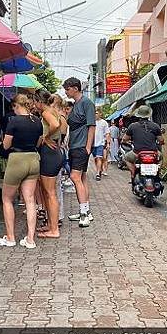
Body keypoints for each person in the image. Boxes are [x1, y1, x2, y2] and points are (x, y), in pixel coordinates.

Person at [0, 94, 43, 249]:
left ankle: (10, 237)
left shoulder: (13, 121)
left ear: (16, 105)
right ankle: (30, 239)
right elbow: (39, 142)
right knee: (30, 200)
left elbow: (5, 145)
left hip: (17, 159)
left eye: (13, 107)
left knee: (7, 199)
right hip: (33, 159)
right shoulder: (37, 121)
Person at [63, 77, 96, 228]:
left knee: (75, 176)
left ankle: (84, 214)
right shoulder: (76, 104)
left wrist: (88, 147)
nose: (66, 91)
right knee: (81, 178)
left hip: (81, 146)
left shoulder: (86, 103)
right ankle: (86, 211)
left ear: (75, 88)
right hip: (75, 145)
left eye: (67, 89)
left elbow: (91, 126)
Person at [34, 90, 65, 239]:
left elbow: (55, 124)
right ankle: (50, 225)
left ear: (39, 101)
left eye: (34, 101)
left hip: (50, 154)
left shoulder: (46, 112)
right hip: (54, 153)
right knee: (48, 192)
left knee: (50, 193)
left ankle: (54, 229)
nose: (34, 104)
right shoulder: (53, 110)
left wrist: (45, 136)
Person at [122, 105, 164, 185]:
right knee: (161, 157)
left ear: (139, 115)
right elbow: (161, 140)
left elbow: (124, 139)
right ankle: (158, 171)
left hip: (137, 153)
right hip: (153, 153)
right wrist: (161, 143)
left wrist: (129, 140)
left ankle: (133, 173)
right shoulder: (155, 126)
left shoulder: (132, 126)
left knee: (126, 158)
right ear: (148, 115)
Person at [92, 109, 110, 181]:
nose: (95, 114)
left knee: (99, 157)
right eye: (94, 113)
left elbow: (107, 133)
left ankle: (98, 173)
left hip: (101, 143)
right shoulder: (91, 122)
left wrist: (108, 143)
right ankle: (99, 169)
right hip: (93, 144)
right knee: (96, 159)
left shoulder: (104, 123)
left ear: (100, 114)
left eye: (96, 113)